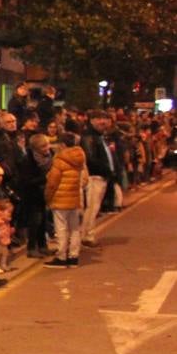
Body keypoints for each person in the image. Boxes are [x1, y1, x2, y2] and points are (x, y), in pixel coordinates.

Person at [44, 133, 86, 269]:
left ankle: (61, 256)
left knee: (61, 229)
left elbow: (52, 183)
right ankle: (74, 256)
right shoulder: (79, 157)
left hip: (60, 198)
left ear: (62, 145)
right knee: (74, 228)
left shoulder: (60, 160)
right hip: (74, 197)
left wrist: (48, 198)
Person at [80, 110, 115, 247]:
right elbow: (90, 158)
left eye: (105, 119)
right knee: (91, 207)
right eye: (99, 119)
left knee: (94, 207)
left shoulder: (99, 136)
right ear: (91, 120)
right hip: (94, 176)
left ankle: (87, 234)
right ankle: (86, 236)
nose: (103, 122)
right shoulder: (89, 136)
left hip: (101, 176)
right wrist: (106, 170)